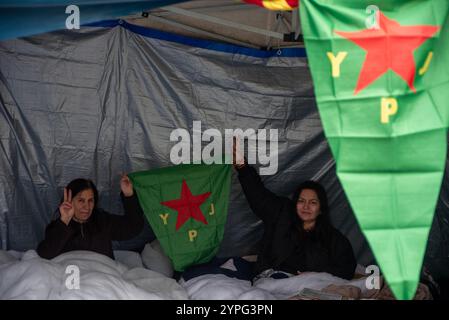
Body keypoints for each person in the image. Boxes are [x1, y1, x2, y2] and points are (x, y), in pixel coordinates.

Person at [232, 139, 356, 280]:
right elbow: (258, 196)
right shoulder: (281, 213)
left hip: (309, 285)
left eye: (313, 202)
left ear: (321, 209)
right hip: (273, 280)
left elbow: (346, 270)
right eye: (301, 201)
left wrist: (315, 274)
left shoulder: (334, 239)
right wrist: (242, 167)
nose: (306, 206)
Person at [37, 174, 144, 260]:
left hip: (101, 279)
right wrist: (64, 220)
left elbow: (133, 227)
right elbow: (45, 254)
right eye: (81, 200)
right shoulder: (59, 226)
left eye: (90, 201)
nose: (86, 207)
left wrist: (129, 195)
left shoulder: (103, 221)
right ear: (70, 201)